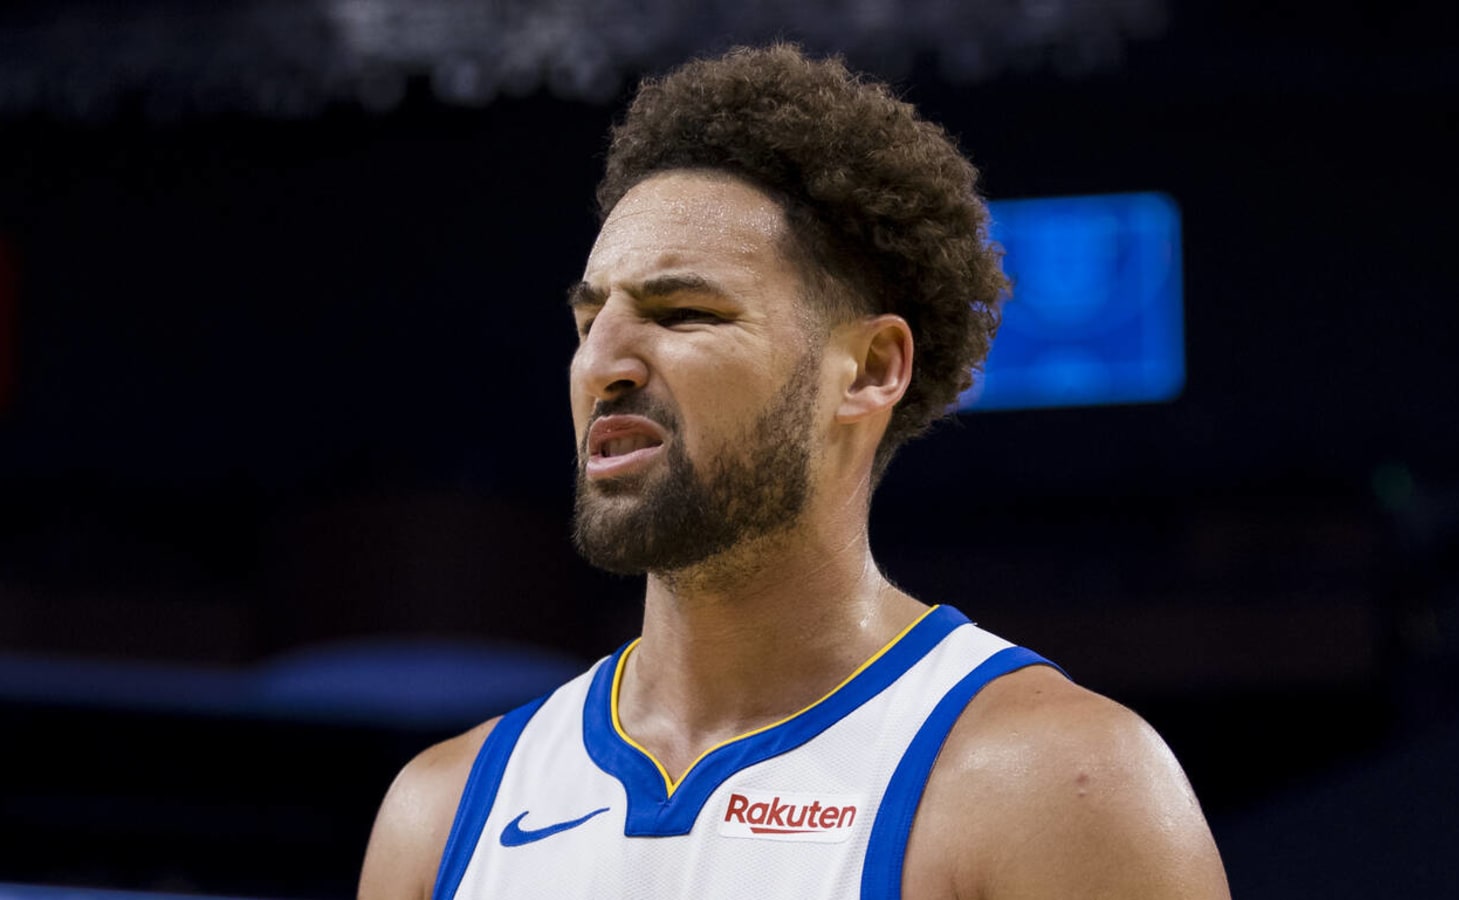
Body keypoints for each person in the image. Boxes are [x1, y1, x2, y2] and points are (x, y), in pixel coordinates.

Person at [358, 42, 1231, 899]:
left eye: (685, 312)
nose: (604, 364)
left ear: (871, 369)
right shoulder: (440, 816)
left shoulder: (1053, 784)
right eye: (590, 323)